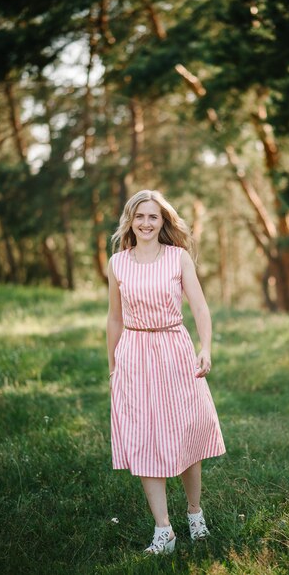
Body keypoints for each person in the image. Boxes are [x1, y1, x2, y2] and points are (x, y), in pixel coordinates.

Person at [106, 189, 226, 555]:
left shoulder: (178, 258)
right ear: (130, 221)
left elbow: (201, 309)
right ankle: (164, 531)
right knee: (143, 439)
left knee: (186, 433)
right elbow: (114, 318)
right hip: (134, 354)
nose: (145, 223)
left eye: (153, 217)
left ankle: (194, 513)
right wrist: (112, 367)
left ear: (163, 222)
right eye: (139, 216)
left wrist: (204, 348)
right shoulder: (118, 263)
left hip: (174, 348)